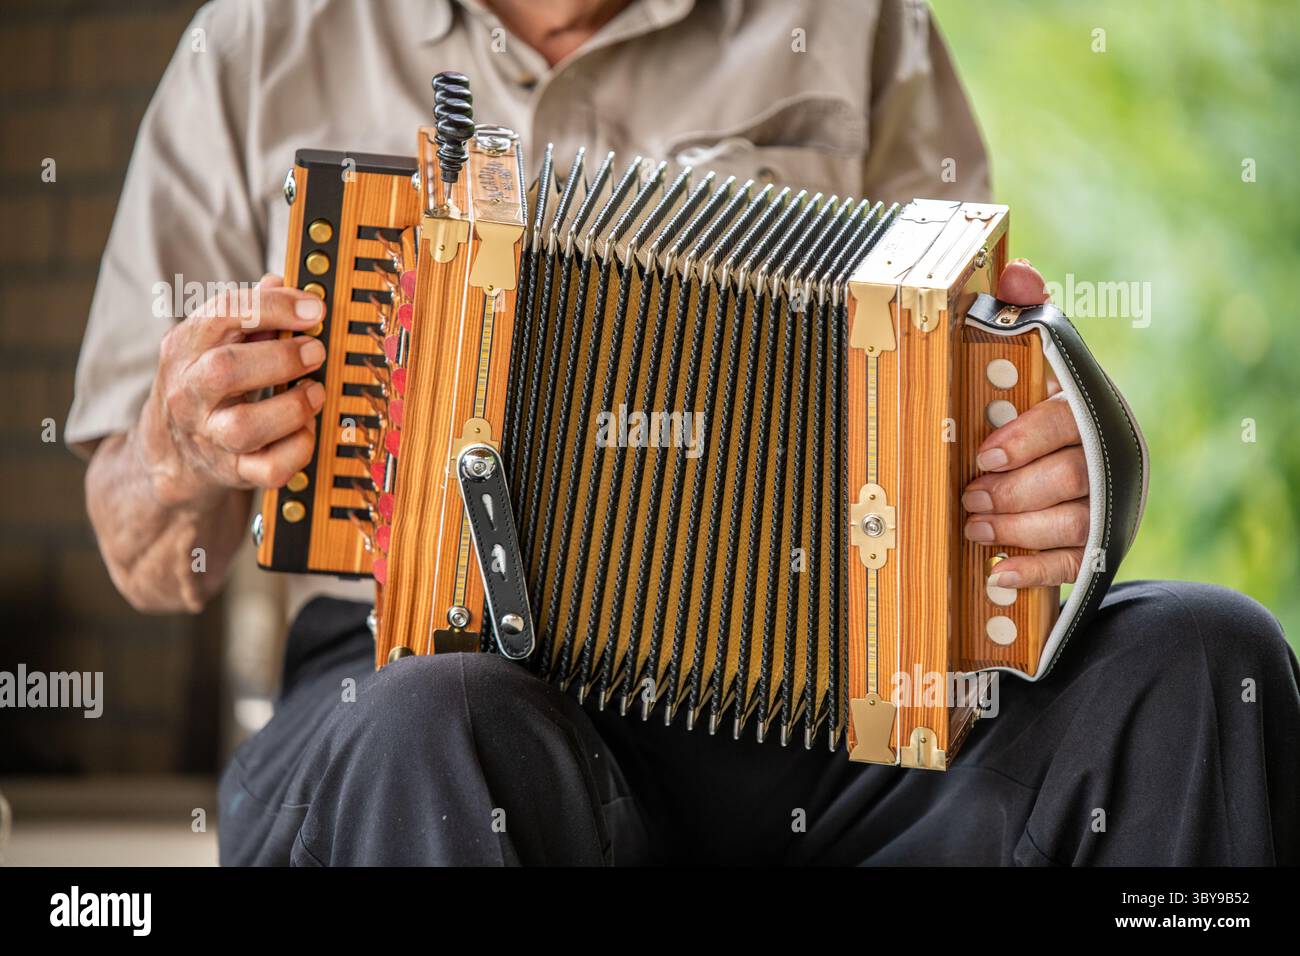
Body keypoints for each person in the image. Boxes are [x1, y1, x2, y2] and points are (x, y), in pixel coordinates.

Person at [68, 0, 1298, 864]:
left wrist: (1067, 462)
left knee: (1206, 657)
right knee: (433, 726)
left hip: (824, 709)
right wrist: (178, 453)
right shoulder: (251, 44)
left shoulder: (856, 19)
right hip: (408, 689)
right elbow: (142, 551)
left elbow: (994, 366)